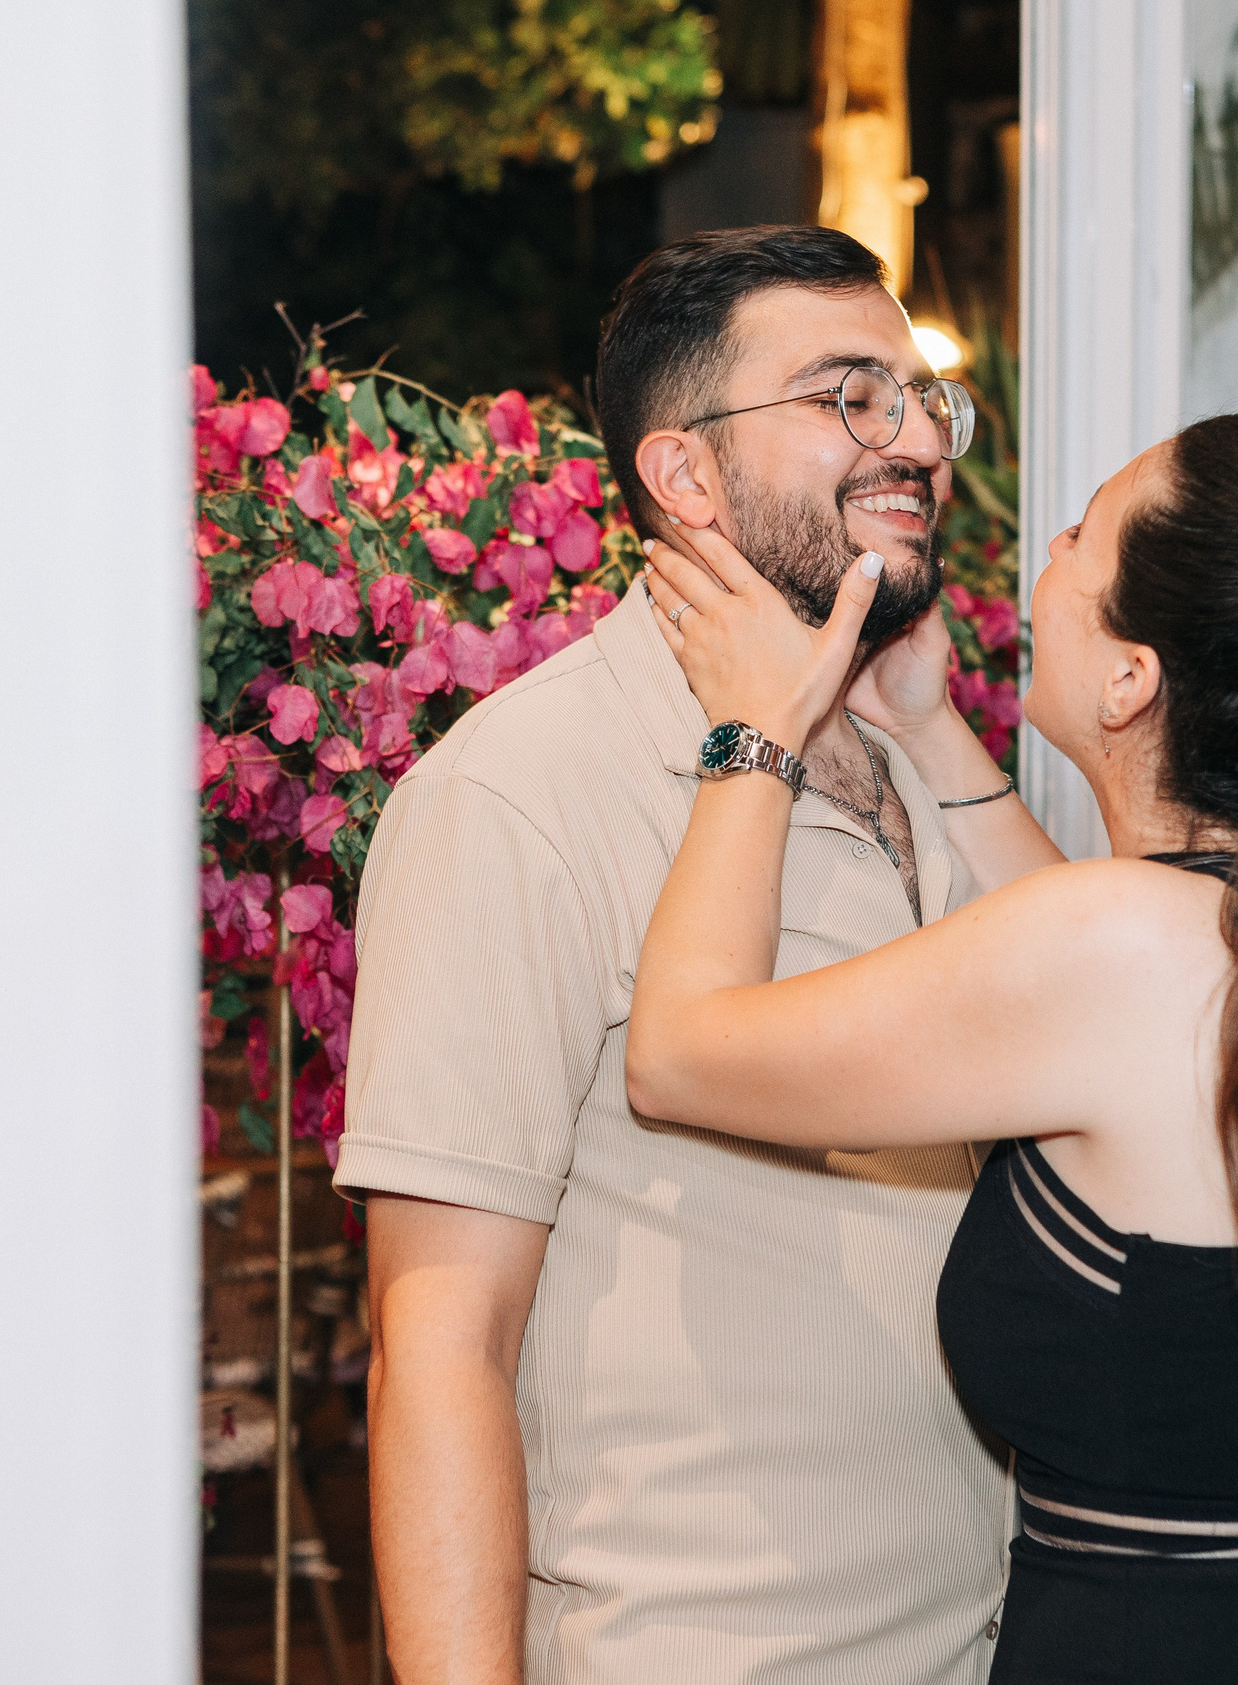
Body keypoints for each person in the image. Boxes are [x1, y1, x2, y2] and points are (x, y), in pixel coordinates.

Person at [627, 413, 1238, 1684]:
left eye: (1079, 534)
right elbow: (1117, 997)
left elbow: (681, 1052)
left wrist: (751, 733)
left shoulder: (1121, 949)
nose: (1045, 551)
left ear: (1133, 678)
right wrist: (927, 728)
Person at [333, 226, 1010, 1685]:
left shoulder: (913, 760)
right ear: (684, 474)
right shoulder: (517, 794)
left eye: (917, 400)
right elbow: (441, 1337)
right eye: (848, 399)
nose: (913, 445)